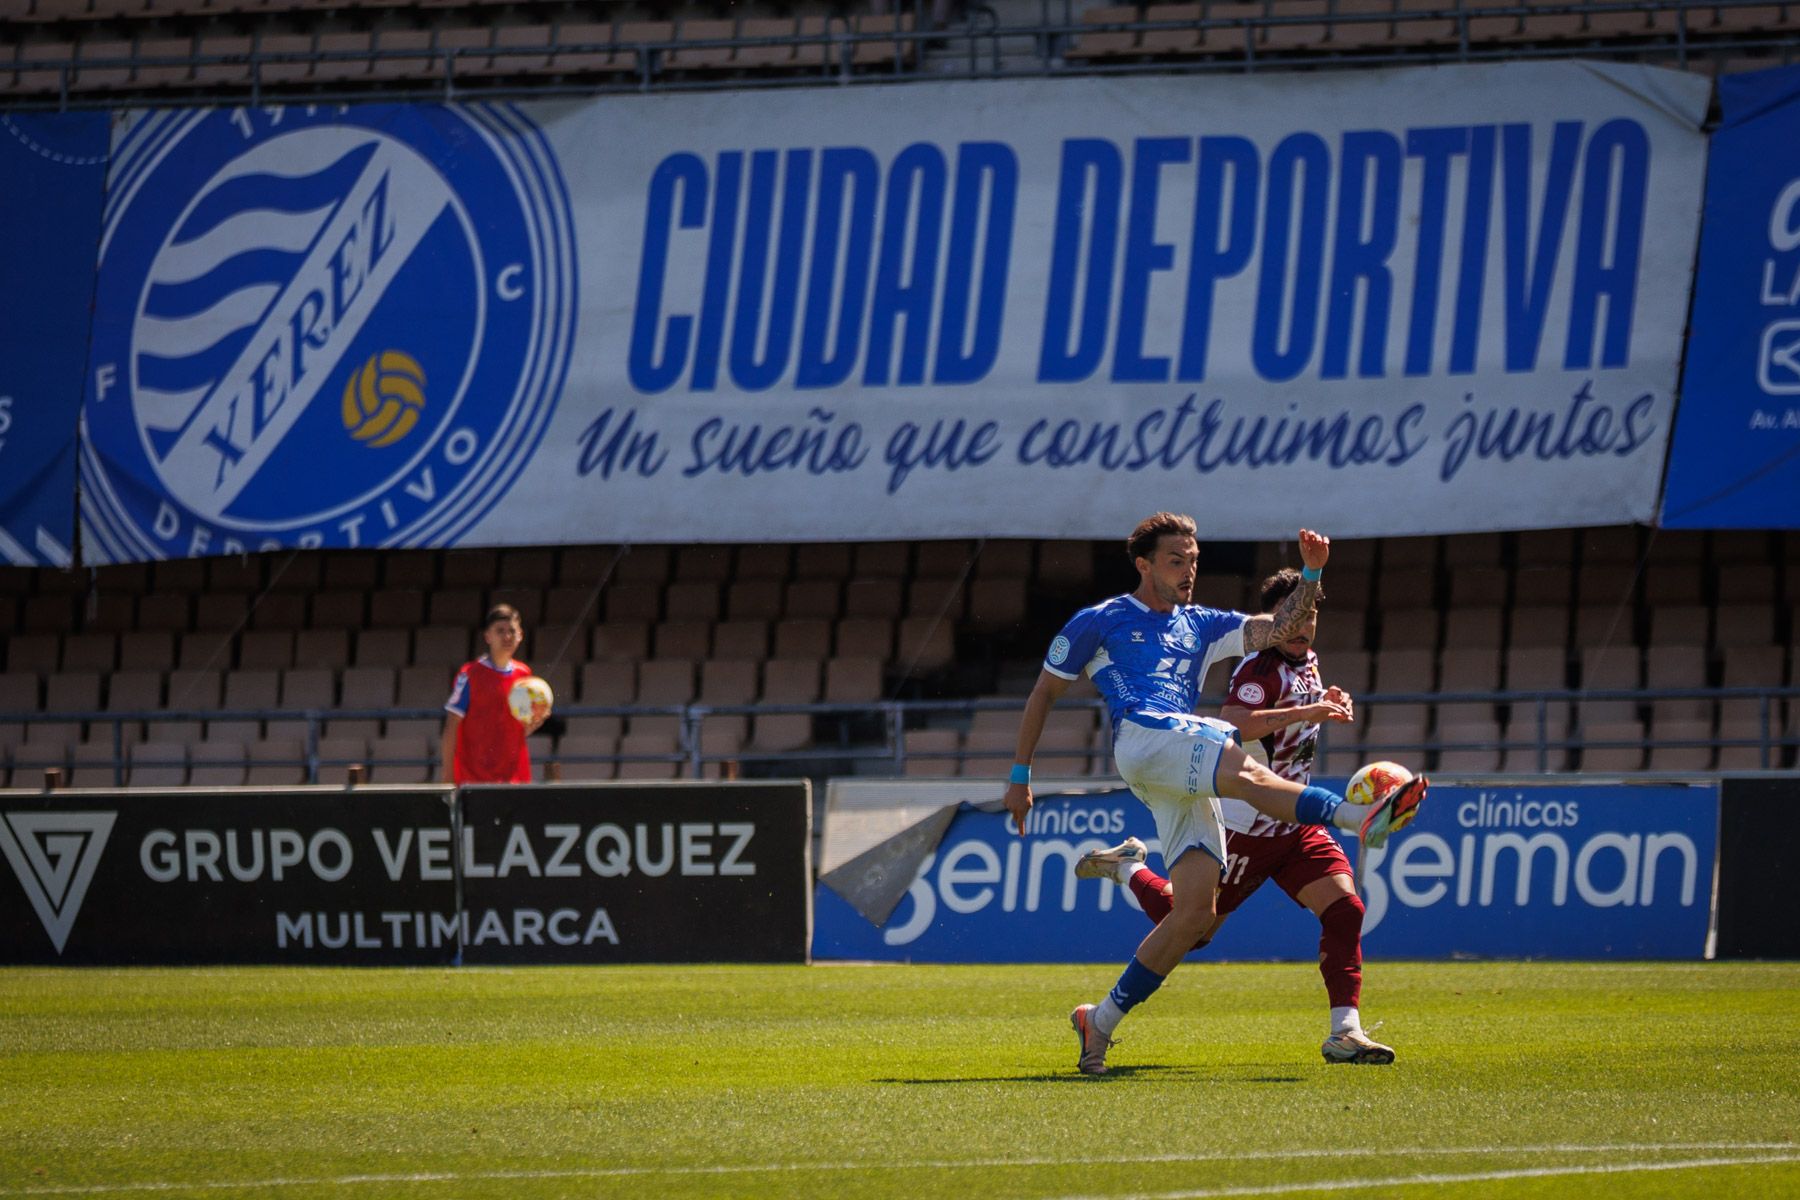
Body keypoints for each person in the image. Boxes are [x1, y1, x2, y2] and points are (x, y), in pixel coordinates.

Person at [1002, 514, 1426, 1075]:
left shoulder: (1202, 623)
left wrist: (1312, 574)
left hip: (1178, 759)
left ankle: (1097, 1022)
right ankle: (1356, 817)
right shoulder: (1099, 621)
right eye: (1176, 560)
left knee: (1194, 918)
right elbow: (1043, 693)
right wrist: (1019, 776)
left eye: (1194, 560)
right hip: (1145, 737)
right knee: (1241, 763)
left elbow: (1280, 627)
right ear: (1144, 564)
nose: (1188, 571)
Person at [1075, 566, 1396, 1064]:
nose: (1305, 626)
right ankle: (1128, 868)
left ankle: (1345, 1031)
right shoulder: (1257, 667)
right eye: (1297, 616)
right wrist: (1305, 713)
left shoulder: (1307, 662)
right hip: (1245, 827)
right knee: (1191, 927)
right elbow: (1234, 724)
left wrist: (1326, 701)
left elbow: (1295, 719)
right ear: (1277, 619)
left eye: (1312, 614)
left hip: (1294, 825)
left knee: (1346, 909)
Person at [440, 604, 548, 785]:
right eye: (500, 631)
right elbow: (452, 725)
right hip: (474, 780)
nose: (507, 636)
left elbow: (516, 730)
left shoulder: (524, 676)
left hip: (514, 780)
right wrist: (448, 778)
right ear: (488, 636)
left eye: (512, 631)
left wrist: (535, 721)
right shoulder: (470, 675)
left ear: (520, 635)